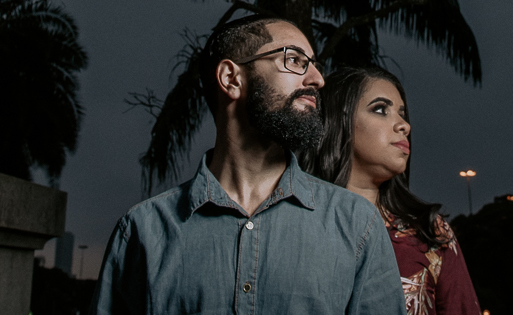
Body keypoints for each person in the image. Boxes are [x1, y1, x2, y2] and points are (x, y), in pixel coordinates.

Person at [90, 16, 407, 315]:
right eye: (295, 60)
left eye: (314, 65)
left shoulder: (356, 224)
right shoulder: (143, 231)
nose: (317, 79)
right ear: (231, 78)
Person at [300, 66, 481, 315]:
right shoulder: (294, 226)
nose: (404, 125)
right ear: (338, 120)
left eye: (402, 114)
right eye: (380, 109)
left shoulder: (429, 231)